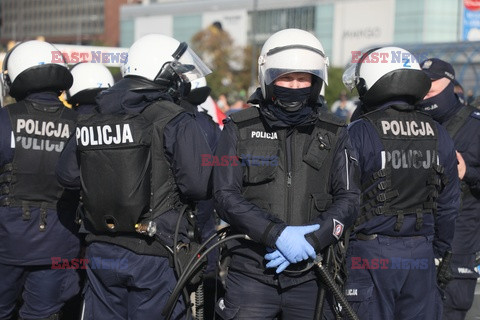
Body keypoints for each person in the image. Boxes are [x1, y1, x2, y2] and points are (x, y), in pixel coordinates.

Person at [55, 33, 213, 320]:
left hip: (100, 248)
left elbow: (66, 176)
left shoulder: (90, 116)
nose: (181, 81)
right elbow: (199, 185)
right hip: (155, 253)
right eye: (177, 73)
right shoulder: (174, 118)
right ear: (161, 71)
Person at [213, 28, 360, 319]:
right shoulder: (239, 128)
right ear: (268, 78)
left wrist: (313, 239)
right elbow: (224, 195)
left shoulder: (335, 131)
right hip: (250, 270)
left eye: (303, 78)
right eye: (285, 77)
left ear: (316, 81)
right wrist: (275, 234)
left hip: (314, 270)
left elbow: (350, 199)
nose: (294, 85)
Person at [341, 47, 460, 319]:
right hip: (422, 251)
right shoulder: (438, 131)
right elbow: (449, 203)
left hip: (371, 253)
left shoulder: (360, 131)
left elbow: (342, 198)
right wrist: (438, 250)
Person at [0, 40, 81, 320]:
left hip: (7, 244)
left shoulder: (4, 119)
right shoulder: (79, 123)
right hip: (59, 243)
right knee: (43, 314)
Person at [417, 57, 480, 320]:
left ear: (450, 81)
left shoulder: (475, 126)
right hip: (414, 242)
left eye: (433, 81)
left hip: (458, 246)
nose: (427, 87)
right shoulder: (413, 124)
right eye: (423, 82)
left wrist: (469, 173)